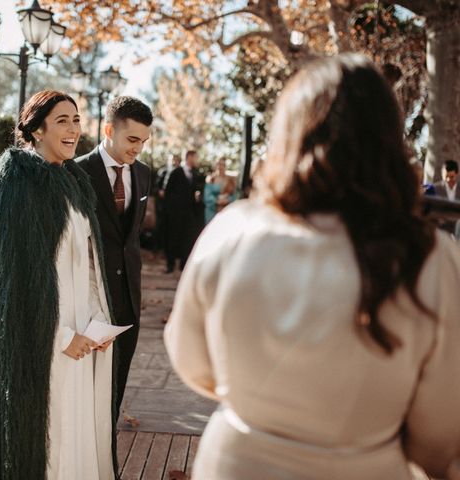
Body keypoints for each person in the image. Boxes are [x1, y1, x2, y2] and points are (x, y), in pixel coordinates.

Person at [165, 54, 460, 480]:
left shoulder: (230, 231)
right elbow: (440, 437)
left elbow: (192, 360)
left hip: (236, 462)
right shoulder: (430, 257)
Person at [0, 90, 116, 480]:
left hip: (81, 332)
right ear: (36, 130)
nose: (73, 129)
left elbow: (87, 262)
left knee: (78, 430)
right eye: (62, 121)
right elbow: (14, 278)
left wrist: (97, 322)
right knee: (47, 435)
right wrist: (60, 335)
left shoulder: (74, 182)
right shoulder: (14, 179)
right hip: (42, 338)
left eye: (76, 119)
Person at [76, 96, 153, 418]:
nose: (138, 149)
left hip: (128, 299)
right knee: (85, 386)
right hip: (88, 298)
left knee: (117, 385)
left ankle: (107, 449)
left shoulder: (144, 174)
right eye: (132, 139)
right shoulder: (76, 172)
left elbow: (130, 237)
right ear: (109, 130)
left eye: (144, 142)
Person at [163, 149, 204, 272]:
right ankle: (170, 266)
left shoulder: (195, 174)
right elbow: (168, 193)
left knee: (187, 239)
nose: (197, 160)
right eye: (195, 157)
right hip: (175, 214)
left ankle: (183, 266)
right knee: (172, 238)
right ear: (189, 157)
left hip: (189, 214)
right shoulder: (176, 172)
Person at [203, 158, 237, 224]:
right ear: (215, 166)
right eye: (218, 164)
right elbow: (207, 196)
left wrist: (228, 200)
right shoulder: (210, 179)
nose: (220, 166)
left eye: (222, 164)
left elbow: (235, 195)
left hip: (226, 211)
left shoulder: (231, 180)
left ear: (225, 166)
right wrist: (217, 201)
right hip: (212, 211)